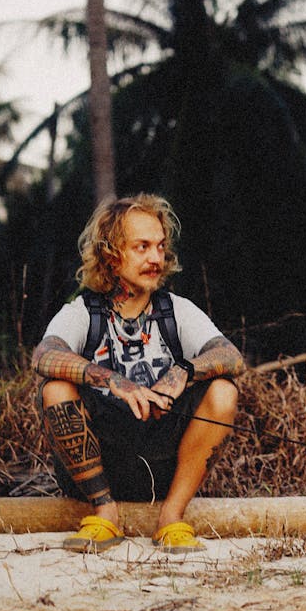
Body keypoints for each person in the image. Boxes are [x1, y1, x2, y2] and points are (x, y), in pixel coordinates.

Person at [32, 193, 243, 554]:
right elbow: (44, 355)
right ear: (111, 255)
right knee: (56, 389)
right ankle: (105, 513)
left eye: (160, 247)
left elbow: (231, 356)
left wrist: (181, 374)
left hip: (162, 465)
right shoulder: (83, 311)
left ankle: (171, 518)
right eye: (142, 247)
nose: (156, 258)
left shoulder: (177, 310)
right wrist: (115, 381)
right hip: (99, 467)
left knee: (224, 390)